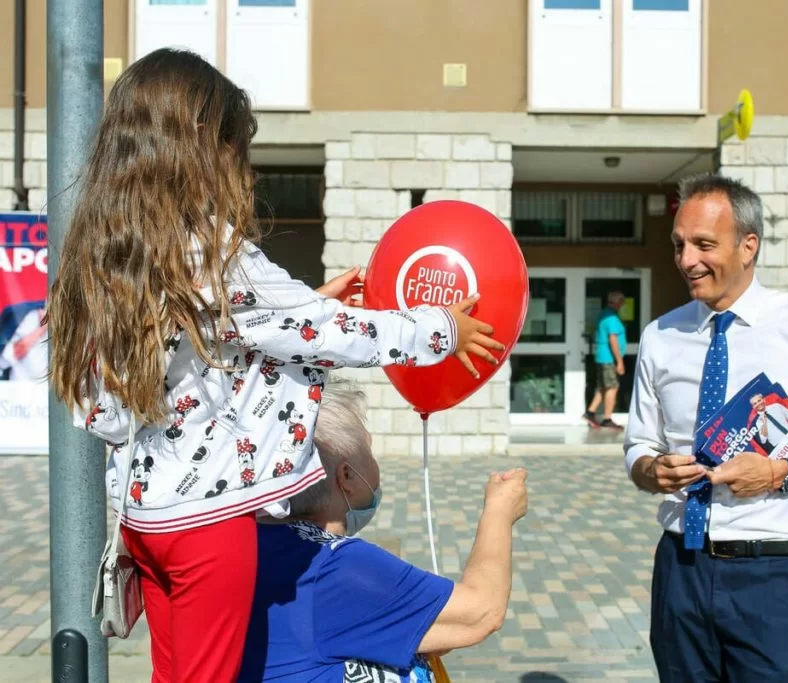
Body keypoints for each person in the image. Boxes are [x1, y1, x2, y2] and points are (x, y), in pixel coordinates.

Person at [46, 48, 502, 683]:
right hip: (208, 529)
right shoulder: (209, 251)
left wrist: (306, 306)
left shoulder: (106, 252)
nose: (242, 165)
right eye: (236, 147)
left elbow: (198, 352)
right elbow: (334, 334)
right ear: (203, 147)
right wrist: (442, 330)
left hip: (145, 523)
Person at [623, 173, 788, 682]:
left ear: (748, 246)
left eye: (704, 244)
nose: (687, 260)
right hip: (682, 568)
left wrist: (778, 472)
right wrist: (654, 470)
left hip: (774, 575)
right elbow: (638, 446)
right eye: (679, 245)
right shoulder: (660, 336)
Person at [240, 380, 528, 682]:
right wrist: (500, 510)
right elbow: (481, 613)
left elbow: (420, 628)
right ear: (347, 476)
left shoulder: (261, 542)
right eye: (370, 452)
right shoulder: (335, 568)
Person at [584, 291, 627, 430]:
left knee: (602, 387)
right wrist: (619, 361)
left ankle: (590, 412)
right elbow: (613, 340)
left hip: (602, 357)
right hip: (608, 358)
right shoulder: (612, 318)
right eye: (621, 303)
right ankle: (607, 418)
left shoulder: (603, 314)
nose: (622, 305)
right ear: (618, 302)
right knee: (612, 387)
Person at [0, 306, 47, 381]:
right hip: (22, 385)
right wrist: (42, 329)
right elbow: (8, 356)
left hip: (48, 386)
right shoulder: (28, 316)